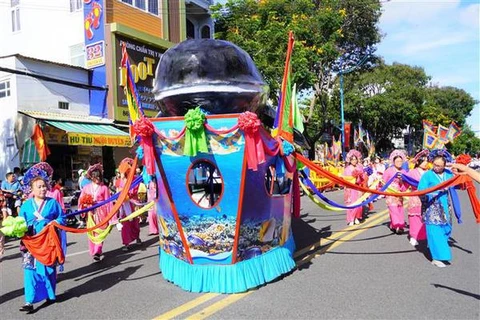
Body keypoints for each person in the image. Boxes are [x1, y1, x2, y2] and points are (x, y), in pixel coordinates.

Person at [19, 171, 65, 312]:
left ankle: (50, 295)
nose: (42, 189)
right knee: (29, 271)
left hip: (48, 242)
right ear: (32, 189)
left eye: (44, 186)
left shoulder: (53, 203)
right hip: (31, 243)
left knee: (49, 270)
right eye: (39, 187)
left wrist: (52, 222)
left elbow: (62, 218)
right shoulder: (26, 206)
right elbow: (20, 222)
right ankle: (29, 301)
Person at [418, 150, 455, 268]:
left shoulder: (449, 174)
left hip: (445, 205)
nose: (436, 167)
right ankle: (436, 257)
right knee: (434, 231)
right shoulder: (427, 175)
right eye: (435, 165)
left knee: (446, 228)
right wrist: (433, 192)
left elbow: (456, 184)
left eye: (439, 166)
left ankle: (439, 251)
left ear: (444, 165)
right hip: (432, 206)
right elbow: (421, 191)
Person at [79, 164, 114, 261]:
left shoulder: (104, 188)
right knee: (92, 231)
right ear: (92, 177)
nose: (98, 178)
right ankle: (93, 250)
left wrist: (112, 216)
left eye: (99, 176)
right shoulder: (86, 187)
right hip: (90, 213)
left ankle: (97, 251)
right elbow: (81, 199)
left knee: (100, 231)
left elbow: (109, 202)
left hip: (101, 212)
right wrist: (84, 206)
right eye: (96, 176)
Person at [405, 151, 429, 246]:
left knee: (426, 217)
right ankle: (414, 236)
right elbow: (406, 183)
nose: (426, 163)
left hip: (427, 196)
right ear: (419, 161)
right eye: (424, 161)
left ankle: (425, 235)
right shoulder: (412, 172)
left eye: (427, 161)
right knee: (414, 216)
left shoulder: (429, 173)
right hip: (415, 196)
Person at [117, 158, 141, 251]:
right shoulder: (119, 180)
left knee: (135, 223)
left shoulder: (134, 179)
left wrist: (128, 195)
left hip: (132, 204)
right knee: (125, 224)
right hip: (124, 205)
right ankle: (126, 243)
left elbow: (135, 190)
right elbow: (117, 191)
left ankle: (137, 237)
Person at [383, 150, 408, 234]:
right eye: (397, 161)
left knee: (400, 209)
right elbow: (383, 181)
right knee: (393, 209)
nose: (399, 163)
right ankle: (397, 225)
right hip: (390, 192)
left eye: (400, 161)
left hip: (399, 192)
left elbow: (406, 184)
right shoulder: (389, 170)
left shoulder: (404, 171)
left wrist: (402, 181)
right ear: (393, 162)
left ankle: (397, 225)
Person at [342, 150, 366, 226]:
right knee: (351, 204)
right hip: (350, 189)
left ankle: (356, 217)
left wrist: (360, 175)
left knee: (358, 203)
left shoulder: (359, 168)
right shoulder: (347, 169)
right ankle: (351, 219)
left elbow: (363, 178)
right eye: (352, 159)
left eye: (355, 159)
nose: (354, 161)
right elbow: (345, 179)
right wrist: (352, 177)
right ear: (350, 160)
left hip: (357, 187)